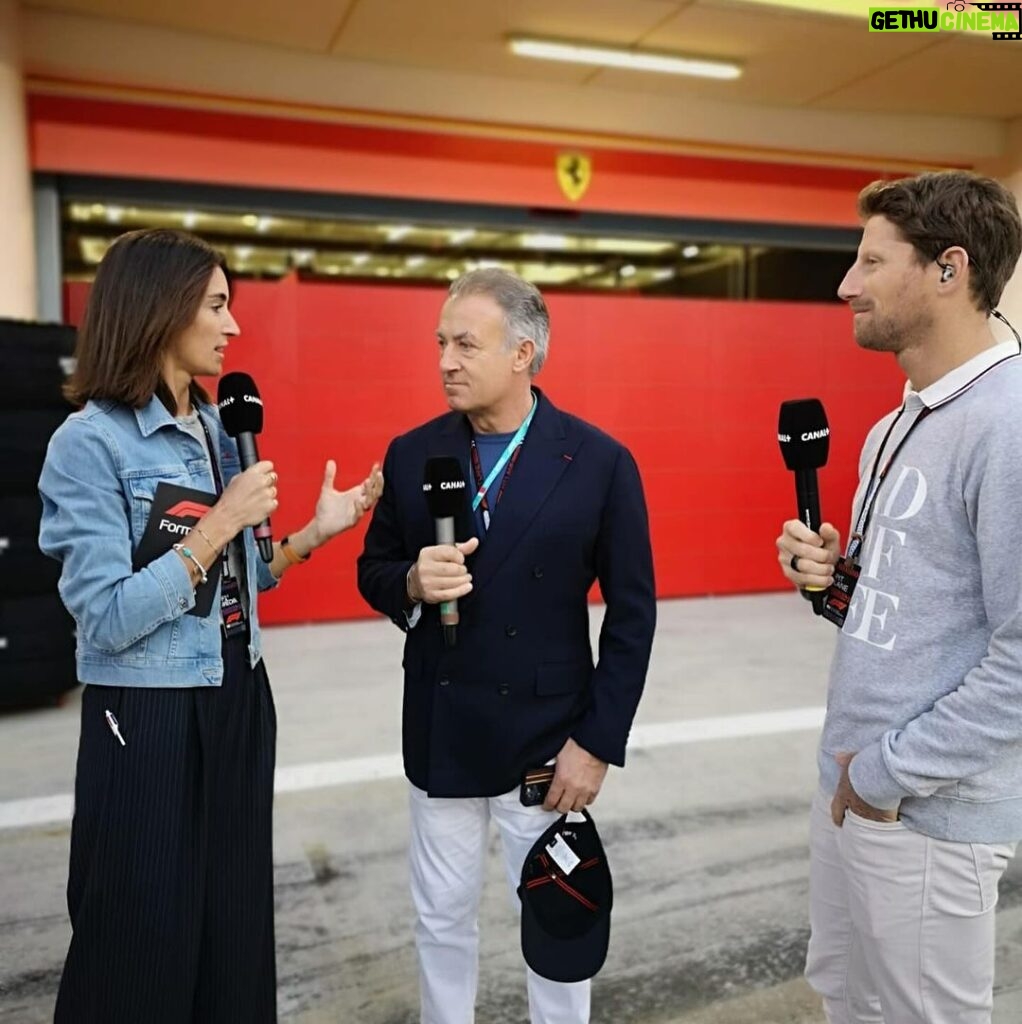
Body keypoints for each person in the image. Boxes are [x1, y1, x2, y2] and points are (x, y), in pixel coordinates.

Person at [38, 227, 383, 1024]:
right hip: (147, 716)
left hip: (236, 695)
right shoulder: (87, 445)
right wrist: (218, 524)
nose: (233, 327)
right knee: (139, 934)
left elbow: (246, 574)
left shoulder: (219, 429)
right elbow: (105, 615)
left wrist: (312, 534)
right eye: (218, 306)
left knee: (232, 927)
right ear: (161, 312)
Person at [357, 267, 656, 1024]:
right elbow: (374, 570)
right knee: (441, 923)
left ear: (524, 352)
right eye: (440, 343)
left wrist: (597, 742)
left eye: (465, 344)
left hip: (548, 745)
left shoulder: (598, 462)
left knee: (559, 920)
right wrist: (411, 585)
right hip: (442, 733)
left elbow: (632, 616)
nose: (445, 361)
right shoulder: (410, 454)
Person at [776, 170, 1022, 1024]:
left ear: (949, 270)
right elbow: (910, 607)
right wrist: (838, 578)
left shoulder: (1010, 423)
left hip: (926, 813)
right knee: (850, 1005)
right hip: (852, 791)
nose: (847, 283)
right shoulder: (895, 424)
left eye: (872, 260)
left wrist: (884, 775)